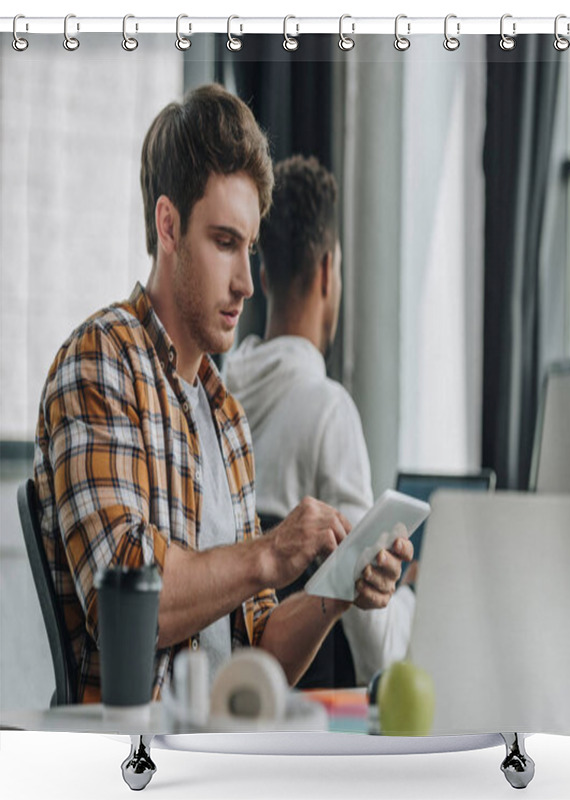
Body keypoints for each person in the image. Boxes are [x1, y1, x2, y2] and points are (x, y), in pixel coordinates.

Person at [33, 84, 412, 704]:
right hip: (139, 760)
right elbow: (124, 599)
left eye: (250, 248)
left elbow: (256, 652)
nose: (245, 283)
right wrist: (268, 553)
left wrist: (336, 589)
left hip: (223, 748)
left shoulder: (226, 418)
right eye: (224, 242)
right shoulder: (102, 361)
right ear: (168, 225)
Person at [224, 155, 416, 687]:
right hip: (314, 714)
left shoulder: (217, 399)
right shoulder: (328, 410)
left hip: (229, 690)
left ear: (261, 277)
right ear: (328, 270)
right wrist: (415, 600)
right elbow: (376, 647)